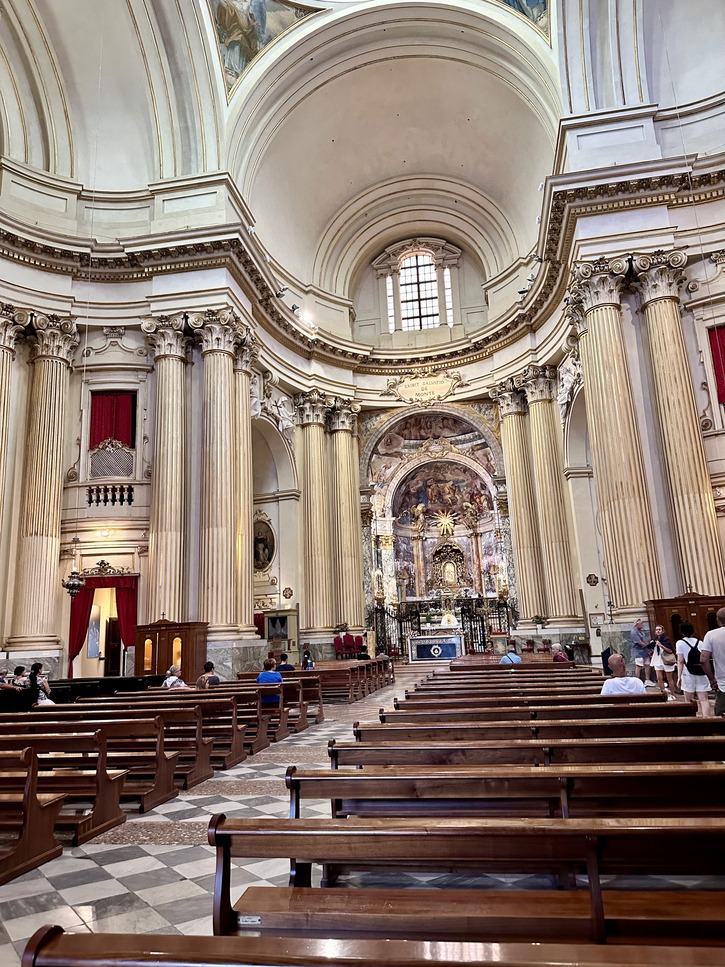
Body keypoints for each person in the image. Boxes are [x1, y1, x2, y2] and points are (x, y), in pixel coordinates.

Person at [676, 621, 711, 717]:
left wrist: (679, 677)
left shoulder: (680, 643)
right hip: (701, 671)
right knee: (704, 699)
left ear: (681, 632)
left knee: (688, 700)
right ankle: (707, 721)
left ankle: (692, 720)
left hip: (688, 673)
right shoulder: (700, 642)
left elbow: (680, 660)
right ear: (692, 631)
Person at [702, 607, 725, 717]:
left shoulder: (711, 635)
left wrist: (711, 679)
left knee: (721, 716)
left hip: (723, 683)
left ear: (718, 620)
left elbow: (703, 659)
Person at [650, 624, 678, 700]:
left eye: (659, 629)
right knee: (659, 677)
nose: (658, 631)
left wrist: (661, 645)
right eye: (656, 630)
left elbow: (670, 650)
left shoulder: (666, 639)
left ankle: (672, 694)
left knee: (669, 678)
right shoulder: (655, 639)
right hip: (657, 659)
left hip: (666, 659)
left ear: (663, 631)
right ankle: (663, 693)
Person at [630, 617, 653, 686]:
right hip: (638, 652)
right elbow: (639, 642)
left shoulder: (641, 631)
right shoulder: (634, 632)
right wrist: (648, 646)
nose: (642, 625)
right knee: (639, 665)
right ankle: (637, 681)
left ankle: (647, 680)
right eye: (641, 623)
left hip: (644, 651)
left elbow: (644, 640)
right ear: (637, 624)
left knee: (647, 664)